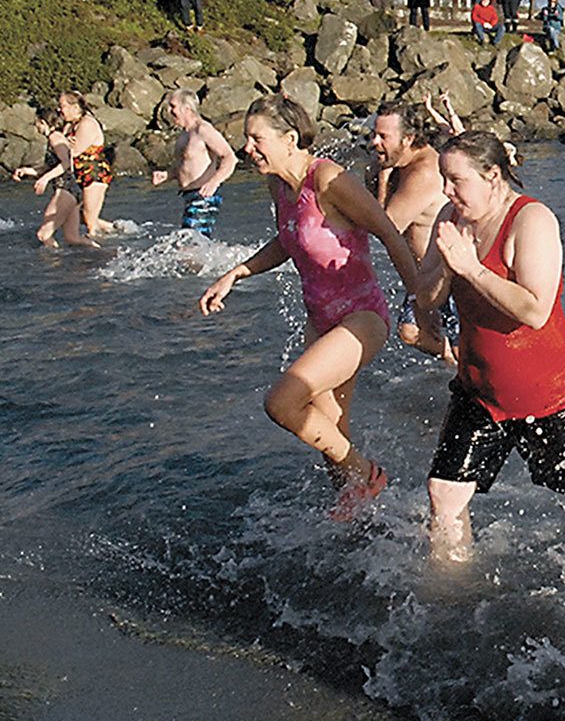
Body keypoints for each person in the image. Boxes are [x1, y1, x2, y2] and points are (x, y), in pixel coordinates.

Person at [199, 95, 420, 522]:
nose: (247, 148)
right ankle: (364, 523)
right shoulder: (280, 186)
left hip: (362, 317)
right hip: (320, 320)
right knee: (328, 431)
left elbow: (389, 232)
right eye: (246, 138)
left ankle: (367, 474)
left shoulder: (329, 180)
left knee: (282, 404)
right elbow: (288, 240)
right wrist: (236, 273)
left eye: (257, 138)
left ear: (289, 139)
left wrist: (421, 305)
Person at [414, 131, 565, 561]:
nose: (446, 190)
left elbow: (535, 310)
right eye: (444, 179)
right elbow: (424, 298)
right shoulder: (450, 217)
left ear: (493, 177)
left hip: (545, 391)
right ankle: (451, 588)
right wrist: (447, 268)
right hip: (479, 389)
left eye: (456, 180)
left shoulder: (531, 220)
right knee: (444, 492)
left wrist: (472, 269)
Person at [370, 100, 455, 361]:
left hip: (446, 275)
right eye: (374, 134)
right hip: (422, 273)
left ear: (407, 139)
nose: (374, 142)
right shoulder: (400, 163)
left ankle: (460, 366)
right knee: (410, 332)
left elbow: (386, 227)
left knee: (436, 337)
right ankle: (454, 365)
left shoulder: (424, 172)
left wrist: (383, 178)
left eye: (383, 136)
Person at [151, 89, 237, 238]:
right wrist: (167, 175)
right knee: (192, 244)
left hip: (203, 197)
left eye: (173, 106)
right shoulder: (185, 133)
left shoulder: (203, 130)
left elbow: (230, 157)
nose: (169, 111)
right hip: (189, 197)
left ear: (187, 109)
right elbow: (186, 164)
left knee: (189, 245)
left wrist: (214, 182)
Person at [17, 107, 96, 248]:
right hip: (73, 190)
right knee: (73, 238)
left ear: (43, 122)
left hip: (66, 189)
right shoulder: (56, 137)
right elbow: (52, 167)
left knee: (43, 235)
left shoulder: (55, 138)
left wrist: (45, 179)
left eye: (36, 123)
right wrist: (28, 171)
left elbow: (66, 164)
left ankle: (53, 260)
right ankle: (101, 252)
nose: (36, 127)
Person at [40, 91, 114, 238]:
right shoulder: (70, 125)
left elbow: (74, 153)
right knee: (82, 217)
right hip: (78, 176)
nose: (59, 110)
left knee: (89, 220)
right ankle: (116, 230)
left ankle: (98, 248)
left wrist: (66, 144)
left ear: (75, 107)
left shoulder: (87, 124)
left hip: (94, 174)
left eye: (62, 106)